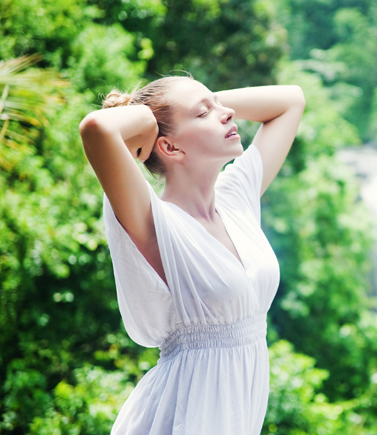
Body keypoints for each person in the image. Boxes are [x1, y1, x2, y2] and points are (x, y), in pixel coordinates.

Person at [79, 76, 305, 434]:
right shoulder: (158, 224)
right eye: (204, 114)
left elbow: (291, 100)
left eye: (218, 107)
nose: (228, 113)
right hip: (182, 418)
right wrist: (149, 119)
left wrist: (207, 101)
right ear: (169, 148)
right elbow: (96, 128)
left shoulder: (236, 200)